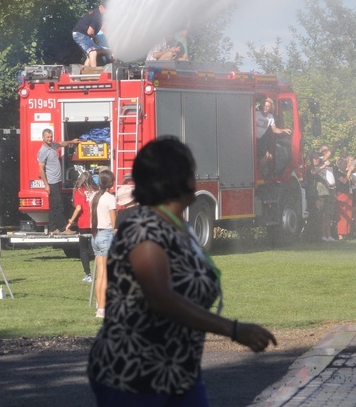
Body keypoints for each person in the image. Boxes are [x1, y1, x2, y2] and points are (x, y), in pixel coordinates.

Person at [87, 137, 276, 404]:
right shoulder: (144, 230)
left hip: (179, 370)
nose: (195, 176)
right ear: (175, 179)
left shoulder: (181, 227)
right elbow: (161, 299)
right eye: (190, 168)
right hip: (135, 374)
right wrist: (233, 329)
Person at [37, 128, 80, 234]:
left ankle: (52, 229)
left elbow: (61, 143)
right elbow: (41, 169)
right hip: (52, 182)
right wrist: (46, 185)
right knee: (59, 205)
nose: (49, 138)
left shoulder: (52, 145)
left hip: (56, 180)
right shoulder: (42, 151)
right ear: (43, 137)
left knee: (53, 206)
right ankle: (63, 229)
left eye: (51, 136)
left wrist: (71, 142)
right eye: (47, 137)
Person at [90, 169, 116, 318]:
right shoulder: (109, 198)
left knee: (99, 275)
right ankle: (102, 308)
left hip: (95, 235)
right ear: (110, 183)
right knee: (106, 275)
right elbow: (114, 222)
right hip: (106, 234)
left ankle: (99, 306)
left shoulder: (93, 196)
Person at [66, 171, 98, 283]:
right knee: (95, 247)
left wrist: (71, 221)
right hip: (96, 222)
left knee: (83, 249)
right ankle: (99, 272)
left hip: (84, 223)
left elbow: (78, 208)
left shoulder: (79, 191)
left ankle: (88, 274)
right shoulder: (96, 191)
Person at [255, 97, 292, 176]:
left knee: (270, 156)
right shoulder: (256, 114)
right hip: (253, 139)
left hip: (260, 139)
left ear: (270, 108)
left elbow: (274, 129)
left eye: (268, 106)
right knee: (267, 156)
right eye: (265, 105)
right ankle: (257, 172)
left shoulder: (270, 117)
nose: (266, 107)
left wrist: (283, 130)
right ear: (262, 105)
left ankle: (258, 170)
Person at [335, 156, 353, 240]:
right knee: (342, 214)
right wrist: (349, 171)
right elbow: (344, 181)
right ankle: (340, 234)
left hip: (348, 194)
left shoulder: (346, 172)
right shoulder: (338, 173)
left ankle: (346, 232)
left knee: (348, 213)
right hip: (341, 194)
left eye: (346, 163)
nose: (345, 165)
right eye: (343, 163)